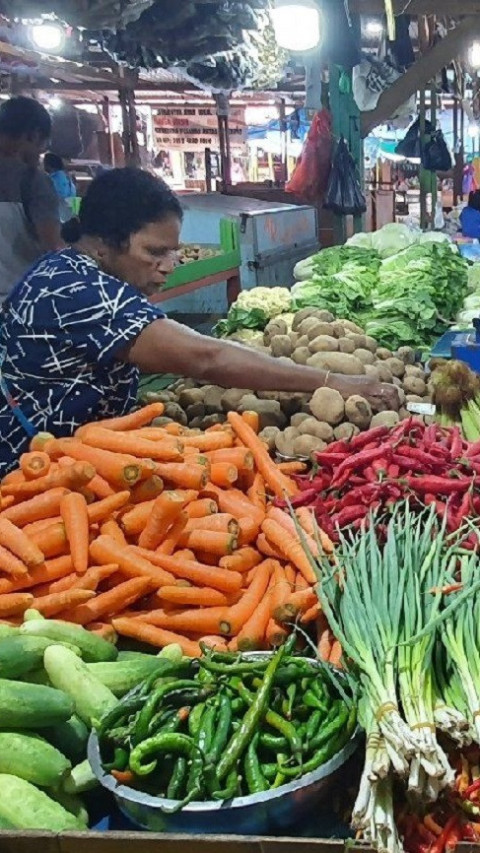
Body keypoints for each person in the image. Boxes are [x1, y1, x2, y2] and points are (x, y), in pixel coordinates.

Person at [0, 167, 398, 474]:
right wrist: (333, 381)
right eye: (155, 252)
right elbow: (204, 359)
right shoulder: (78, 290)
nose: (168, 266)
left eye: (173, 252)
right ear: (104, 242)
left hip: (78, 458)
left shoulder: (68, 269)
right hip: (36, 471)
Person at [0, 96, 62, 303]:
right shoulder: (32, 181)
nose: (40, 154)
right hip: (18, 305)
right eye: (43, 145)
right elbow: (52, 247)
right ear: (33, 136)